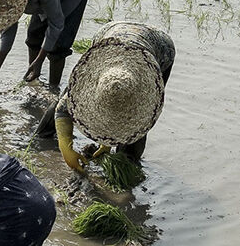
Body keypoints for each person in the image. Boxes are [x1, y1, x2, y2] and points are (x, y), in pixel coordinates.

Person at [46, 21, 175, 171]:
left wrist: (107, 142)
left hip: (159, 47)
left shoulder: (147, 77)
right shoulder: (100, 73)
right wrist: (65, 148)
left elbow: (144, 115)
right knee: (74, 91)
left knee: (140, 116)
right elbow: (63, 110)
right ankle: (44, 134)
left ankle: (129, 160)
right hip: (110, 36)